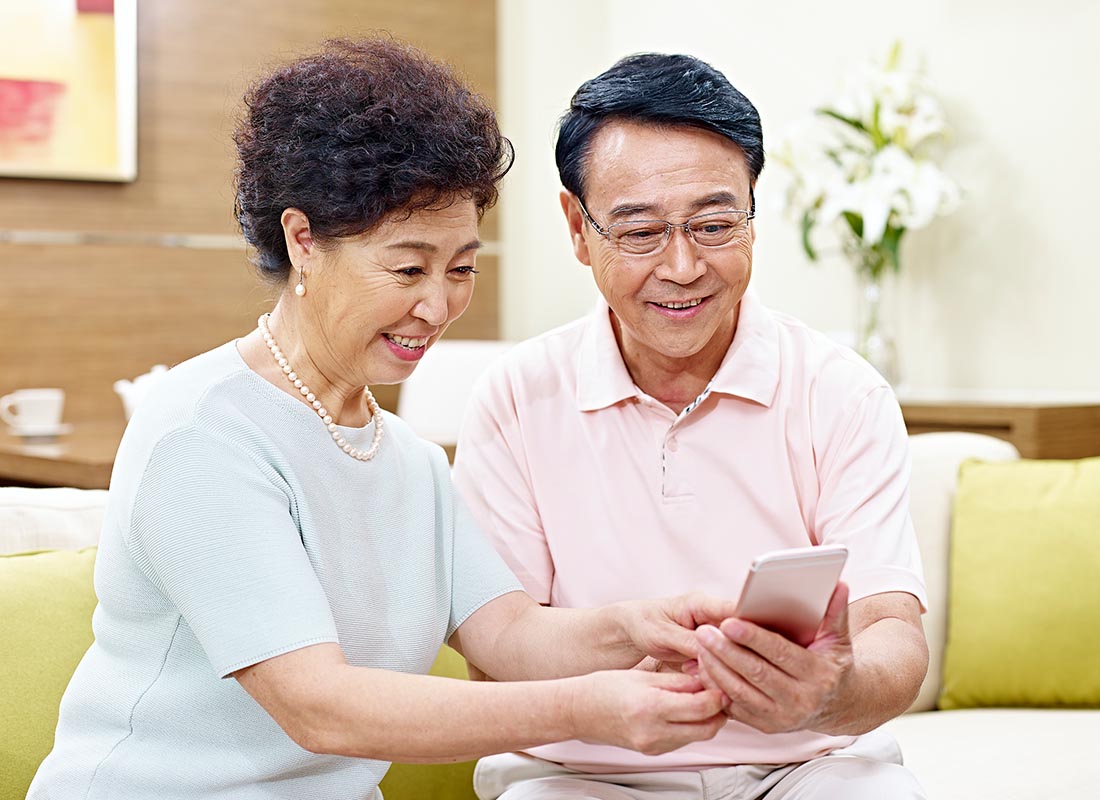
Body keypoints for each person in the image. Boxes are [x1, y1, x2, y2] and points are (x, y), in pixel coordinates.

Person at [26, 40, 743, 800]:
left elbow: (511, 634)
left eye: (461, 268)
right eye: (407, 269)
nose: (437, 307)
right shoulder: (201, 433)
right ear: (303, 240)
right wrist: (588, 711)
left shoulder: (407, 458)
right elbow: (318, 705)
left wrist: (644, 628)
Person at [453, 53, 930, 799]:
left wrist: (829, 692)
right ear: (578, 228)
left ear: (751, 213)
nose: (682, 267)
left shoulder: (841, 392)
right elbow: (496, 652)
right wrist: (631, 639)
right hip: (581, 775)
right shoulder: (514, 398)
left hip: (807, 770)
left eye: (713, 224)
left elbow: (893, 630)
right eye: (640, 233)